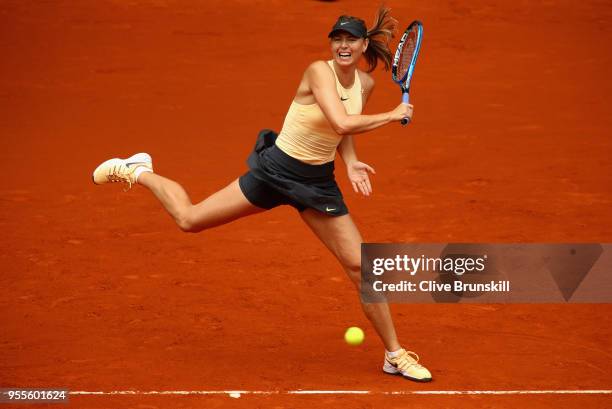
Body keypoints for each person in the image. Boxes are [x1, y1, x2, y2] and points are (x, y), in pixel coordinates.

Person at [92, 5, 432, 382]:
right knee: (189, 220)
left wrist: (350, 161)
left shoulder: (365, 86)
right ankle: (139, 171)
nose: (342, 45)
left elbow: (342, 132)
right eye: (336, 39)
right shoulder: (318, 71)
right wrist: (390, 115)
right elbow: (338, 119)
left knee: (360, 267)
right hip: (276, 171)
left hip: (317, 183)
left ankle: (394, 355)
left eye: (350, 38)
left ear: (364, 43)